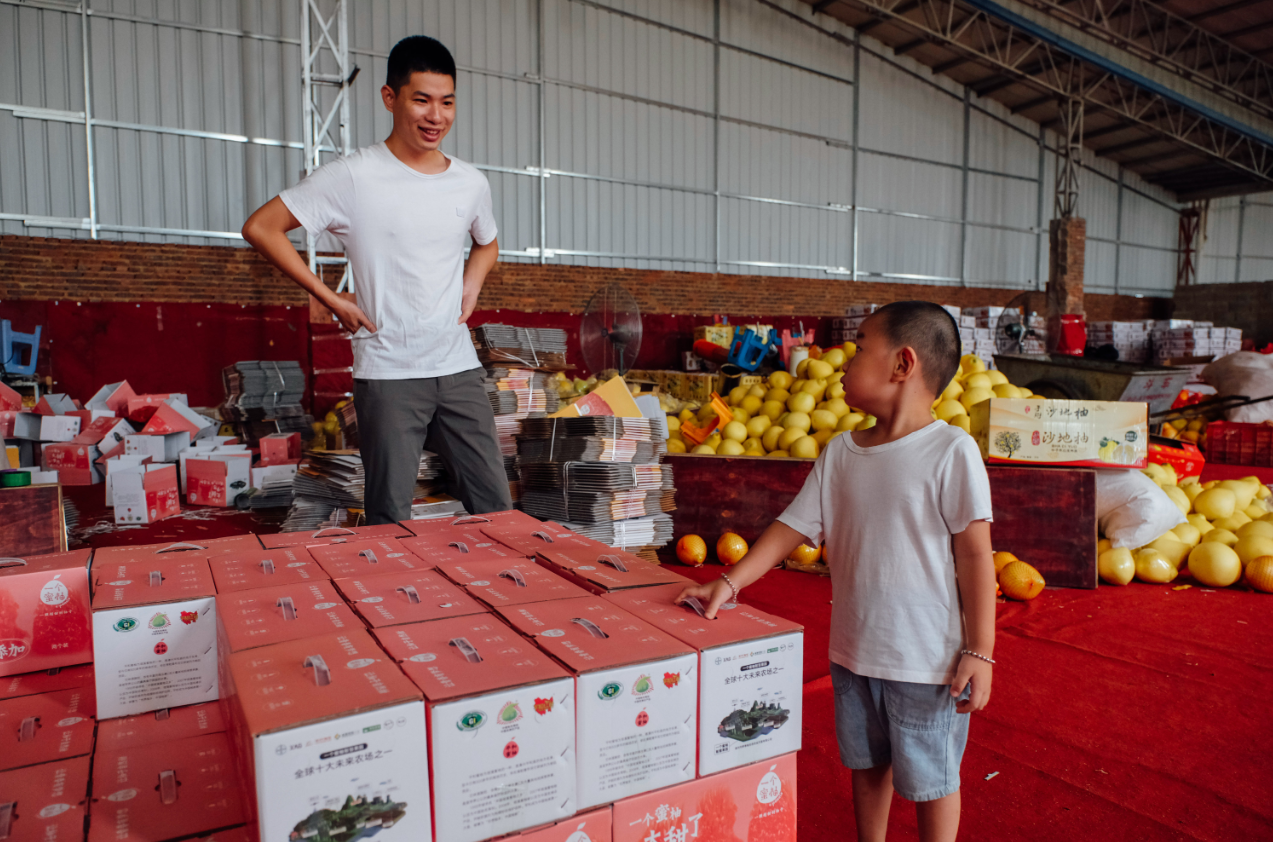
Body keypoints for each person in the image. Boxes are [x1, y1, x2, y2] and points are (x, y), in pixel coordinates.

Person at [678, 301, 995, 842]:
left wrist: (980, 650)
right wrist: (730, 581)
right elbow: (792, 527)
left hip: (926, 661)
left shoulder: (951, 451)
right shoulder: (841, 452)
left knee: (932, 779)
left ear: (902, 365)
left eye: (859, 349)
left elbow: (975, 555)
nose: (843, 363)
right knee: (867, 765)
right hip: (853, 652)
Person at [242, 35, 511, 524]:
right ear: (391, 98)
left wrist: (473, 281)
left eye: (447, 102)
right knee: (390, 519)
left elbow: (488, 243)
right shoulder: (354, 176)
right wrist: (329, 297)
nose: (436, 116)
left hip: (458, 369)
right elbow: (261, 227)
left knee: (497, 508)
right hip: (389, 374)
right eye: (422, 100)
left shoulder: (470, 182)